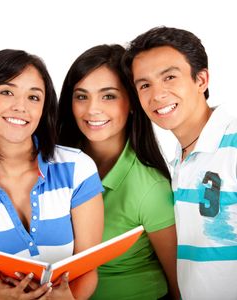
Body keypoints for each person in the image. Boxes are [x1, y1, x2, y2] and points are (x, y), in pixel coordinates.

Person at [0, 49, 105, 299]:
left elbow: (87, 269)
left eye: (34, 97)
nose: (21, 107)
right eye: (7, 92)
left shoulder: (78, 168)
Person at [122, 26, 237, 299]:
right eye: (144, 84)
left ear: (201, 80)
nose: (157, 94)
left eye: (169, 77)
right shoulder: (178, 163)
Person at [57, 44, 179, 299]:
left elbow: (179, 284)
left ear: (132, 103)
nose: (92, 109)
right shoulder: (54, 166)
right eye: (81, 96)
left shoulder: (150, 188)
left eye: (108, 96)